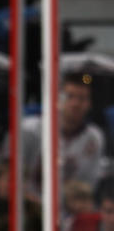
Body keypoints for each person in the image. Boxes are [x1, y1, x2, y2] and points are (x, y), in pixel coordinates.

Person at [19, 72, 107, 213]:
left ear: (89, 104)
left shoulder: (94, 138)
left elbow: (88, 186)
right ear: (57, 99)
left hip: (69, 214)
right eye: (70, 96)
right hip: (28, 210)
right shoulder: (30, 129)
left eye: (82, 98)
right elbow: (9, 174)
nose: (76, 103)